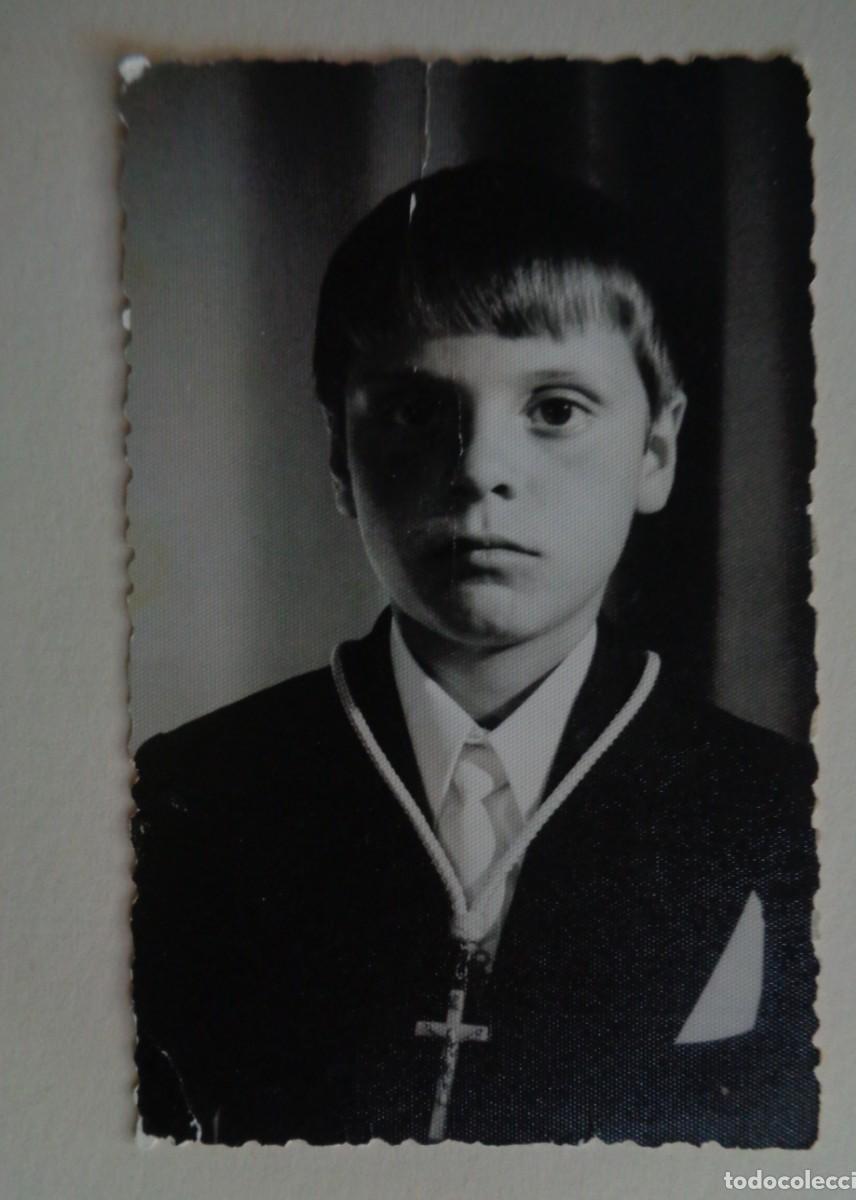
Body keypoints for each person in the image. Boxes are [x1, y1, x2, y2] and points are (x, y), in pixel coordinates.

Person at [131, 161, 818, 1147]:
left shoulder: (782, 816)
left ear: (656, 452)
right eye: (418, 410)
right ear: (338, 459)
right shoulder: (189, 801)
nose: (482, 472)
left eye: (555, 410)